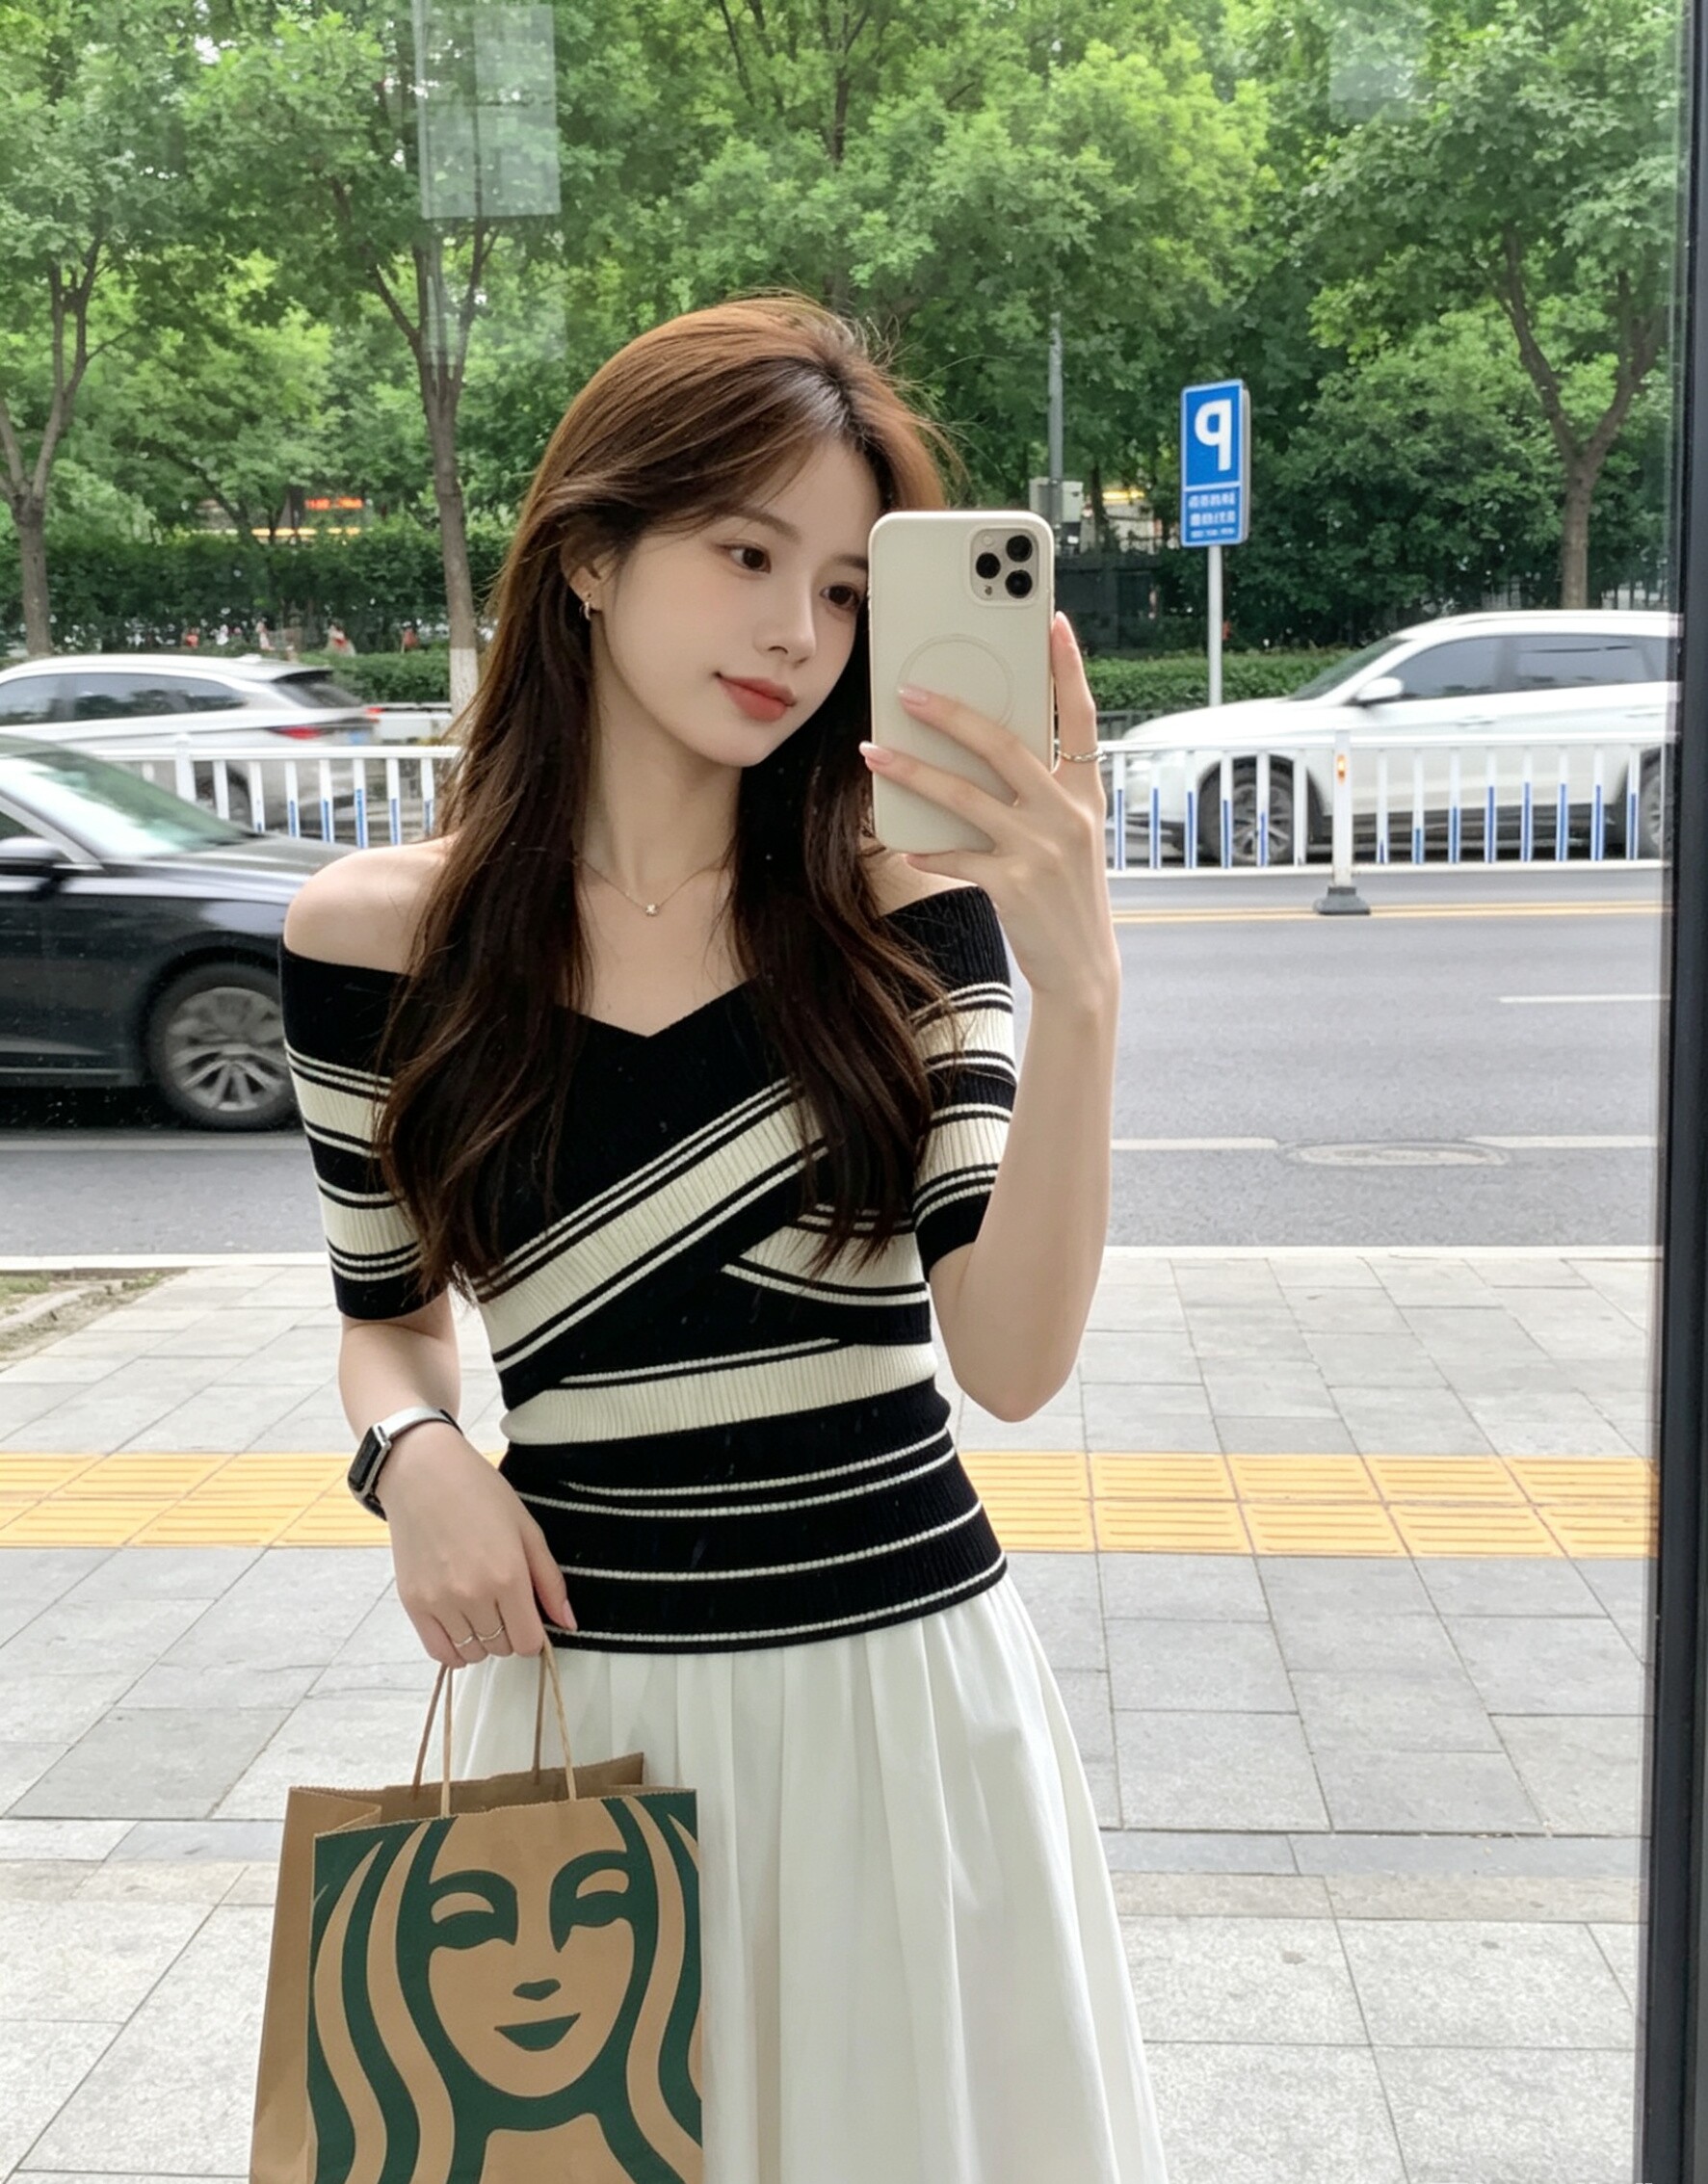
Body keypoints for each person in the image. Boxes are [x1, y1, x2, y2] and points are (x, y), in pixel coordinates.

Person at [276, 292, 1168, 2184]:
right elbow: (384, 1318)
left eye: (844, 589)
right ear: (589, 556)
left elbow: (1011, 1363)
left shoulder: (907, 919)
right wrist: (414, 1456)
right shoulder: (375, 942)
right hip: (581, 1710)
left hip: (897, 1702)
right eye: (745, 555)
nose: (795, 633)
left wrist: (1081, 988)